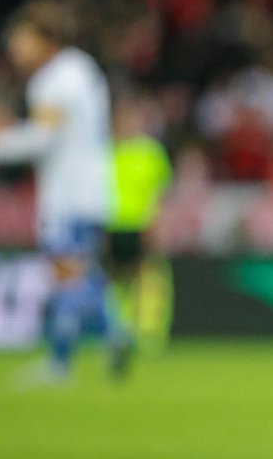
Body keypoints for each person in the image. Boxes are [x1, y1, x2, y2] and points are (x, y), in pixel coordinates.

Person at [0, 0, 121, 380]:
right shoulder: (81, 69)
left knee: (67, 272)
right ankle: (115, 333)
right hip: (91, 186)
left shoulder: (54, 80)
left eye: (21, 40)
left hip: (69, 192)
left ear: (44, 38)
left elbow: (41, 139)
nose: (15, 49)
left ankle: (60, 362)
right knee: (78, 270)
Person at [105, 97, 174, 361]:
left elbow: (160, 194)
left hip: (142, 224)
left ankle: (148, 332)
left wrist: (158, 223)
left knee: (146, 277)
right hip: (112, 225)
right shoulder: (106, 152)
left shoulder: (150, 152)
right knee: (115, 280)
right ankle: (118, 331)